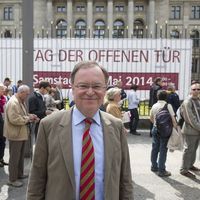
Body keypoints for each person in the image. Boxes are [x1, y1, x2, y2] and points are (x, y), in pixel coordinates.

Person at [27, 61, 133, 200]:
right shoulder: (49, 125)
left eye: (96, 86)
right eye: (83, 86)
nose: (90, 92)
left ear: (104, 89)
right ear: (72, 88)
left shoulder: (116, 126)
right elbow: (37, 180)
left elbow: (125, 180)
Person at [4, 85, 39, 187]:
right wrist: (28, 119)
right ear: (21, 92)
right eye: (26, 94)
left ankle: (19, 174)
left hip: (21, 133)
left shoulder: (20, 101)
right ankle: (12, 179)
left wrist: (30, 116)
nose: (27, 96)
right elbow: (14, 119)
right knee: (15, 157)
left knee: (20, 156)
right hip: (15, 134)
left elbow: (21, 114)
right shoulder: (13, 103)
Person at [150, 90, 177, 177]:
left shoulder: (154, 105)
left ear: (157, 97)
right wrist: (176, 128)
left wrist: (155, 124)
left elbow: (150, 118)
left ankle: (154, 166)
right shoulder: (168, 106)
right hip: (165, 130)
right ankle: (162, 170)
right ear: (166, 97)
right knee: (163, 150)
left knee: (155, 148)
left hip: (155, 129)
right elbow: (173, 119)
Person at [180, 83, 200, 178]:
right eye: (194, 89)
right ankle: (184, 169)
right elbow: (190, 118)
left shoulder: (198, 100)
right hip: (190, 130)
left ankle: (190, 165)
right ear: (190, 90)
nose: (196, 91)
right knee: (188, 150)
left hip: (197, 130)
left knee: (194, 149)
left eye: (198, 89)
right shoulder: (188, 102)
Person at [0, 83, 7, 167]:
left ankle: (1, 158)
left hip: (4, 123)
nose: (3, 90)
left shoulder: (3, 99)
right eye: (1, 89)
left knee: (3, 142)